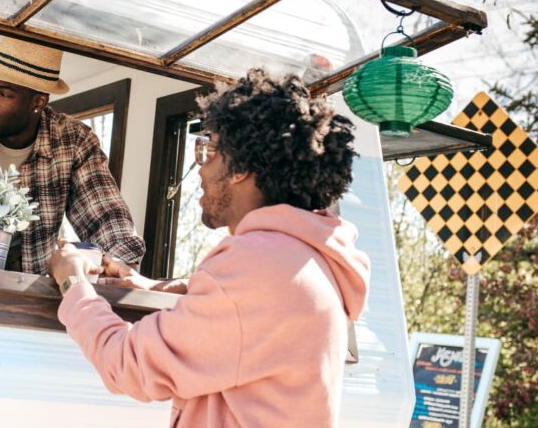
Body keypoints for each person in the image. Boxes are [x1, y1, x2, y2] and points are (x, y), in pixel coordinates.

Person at [48, 69, 371, 428]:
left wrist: (73, 284)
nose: (198, 168)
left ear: (241, 167)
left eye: (208, 151)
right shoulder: (312, 258)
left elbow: (129, 365)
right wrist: (157, 287)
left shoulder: (257, 265)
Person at [0, 37, 145, 275]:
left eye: (3, 93)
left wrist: (123, 271)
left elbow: (106, 217)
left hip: (30, 296)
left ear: (38, 102)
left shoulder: (73, 140)